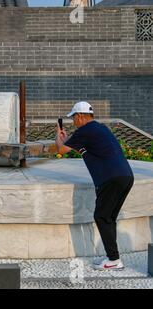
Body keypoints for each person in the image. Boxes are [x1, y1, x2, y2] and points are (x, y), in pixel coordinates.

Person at [55, 101, 134, 270]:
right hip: (125, 176)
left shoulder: (85, 130)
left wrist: (59, 137)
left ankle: (114, 260)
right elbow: (81, 148)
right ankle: (113, 257)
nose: (73, 121)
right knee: (108, 217)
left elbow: (61, 150)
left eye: (74, 118)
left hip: (111, 179)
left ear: (80, 116)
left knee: (101, 216)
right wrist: (66, 140)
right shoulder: (100, 128)